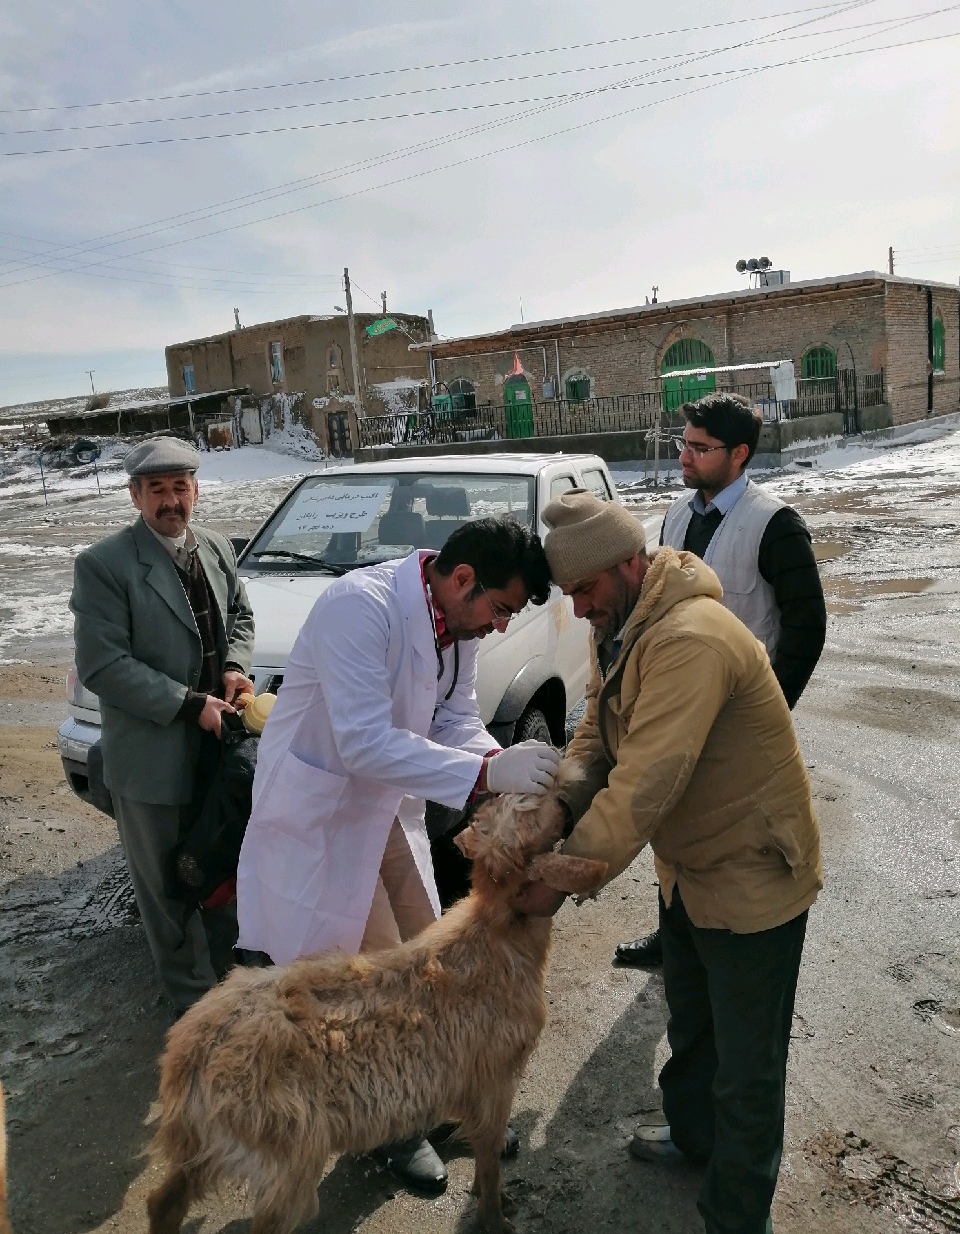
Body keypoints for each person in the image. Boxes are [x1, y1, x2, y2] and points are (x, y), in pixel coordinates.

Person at [516, 488, 822, 1234]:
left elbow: (645, 780)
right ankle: (694, 1140)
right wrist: (556, 809)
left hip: (751, 872)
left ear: (627, 564)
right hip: (687, 868)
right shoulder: (623, 620)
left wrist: (558, 877)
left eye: (584, 591)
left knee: (747, 1069)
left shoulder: (690, 637)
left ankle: (735, 1215)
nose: (579, 609)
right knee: (693, 1024)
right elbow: (597, 731)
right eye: (570, 595)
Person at [235, 514, 560, 1193]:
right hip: (323, 816)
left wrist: (498, 757)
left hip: (385, 807)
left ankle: (435, 1102)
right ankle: (386, 1132)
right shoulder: (360, 608)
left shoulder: (454, 624)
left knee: (431, 951)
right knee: (375, 988)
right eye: (498, 610)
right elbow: (360, 741)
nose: (499, 627)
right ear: (463, 579)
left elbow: (452, 718)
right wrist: (482, 779)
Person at [616, 391, 826, 969]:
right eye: (684, 443)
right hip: (682, 705)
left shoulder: (774, 524)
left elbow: (807, 626)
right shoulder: (678, 515)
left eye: (700, 448)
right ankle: (674, 935)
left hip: (742, 718)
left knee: (736, 840)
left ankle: (733, 949)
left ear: (740, 454)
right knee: (674, 821)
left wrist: (773, 710)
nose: (685, 457)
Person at [70, 437, 255, 1017]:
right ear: (135, 496)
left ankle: (234, 986)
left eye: (181, 487)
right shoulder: (105, 565)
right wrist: (187, 703)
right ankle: (194, 1008)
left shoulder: (218, 548)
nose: (171, 501)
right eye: (157, 490)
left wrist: (234, 668)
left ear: (196, 491)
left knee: (222, 867)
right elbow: (103, 664)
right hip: (153, 759)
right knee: (165, 890)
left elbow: (242, 617)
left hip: (216, 754)